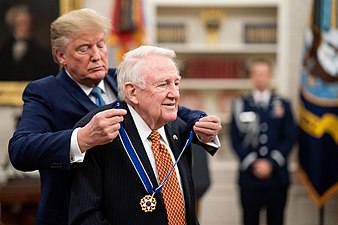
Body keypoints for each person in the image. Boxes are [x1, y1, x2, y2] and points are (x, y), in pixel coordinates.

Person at [8, 9, 221, 225]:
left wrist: (199, 121)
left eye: (100, 45)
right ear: (61, 56)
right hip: (71, 214)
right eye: (84, 48)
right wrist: (81, 139)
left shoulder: (117, 77)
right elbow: (20, 150)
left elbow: (165, 105)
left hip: (127, 209)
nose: (97, 55)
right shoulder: (45, 92)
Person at [68, 45, 220, 225]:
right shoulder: (98, 130)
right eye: (163, 84)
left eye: (176, 83)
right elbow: (86, 217)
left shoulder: (179, 127)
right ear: (132, 92)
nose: (175, 94)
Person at [229, 58, 297, 225]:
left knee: (276, 220)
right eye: (257, 74)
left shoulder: (283, 105)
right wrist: (254, 163)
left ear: (270, 76)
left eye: (264, 74)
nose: (260, 78)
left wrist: (271, 163)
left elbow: (290, 137)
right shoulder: (240, 104)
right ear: (251, 77)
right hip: (249, 177)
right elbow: (235, 138)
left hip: (277, 177)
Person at [0, 4, 58, 81]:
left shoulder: (42, 54)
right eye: (22, 23)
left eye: (28, 22)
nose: (26, 26)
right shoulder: (3, 49)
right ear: (13, 24)